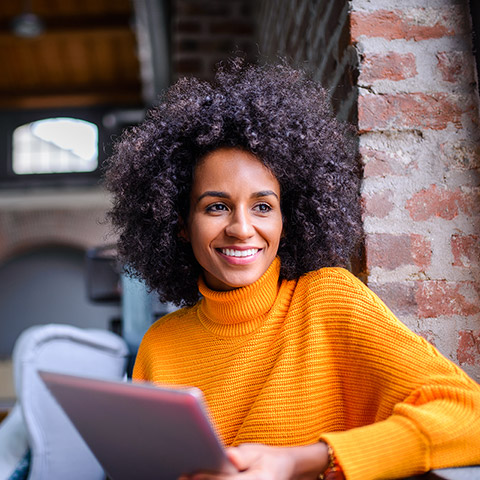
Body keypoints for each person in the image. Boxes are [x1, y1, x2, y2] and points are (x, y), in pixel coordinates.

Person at [104, 59, 480, 480]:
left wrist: (302, 460)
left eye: (263, 206)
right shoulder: (160, 346)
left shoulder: (327, 299)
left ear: (289, 217)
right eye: (216, 207)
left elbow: (470, 416)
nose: (242, 229)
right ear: (179, 224)